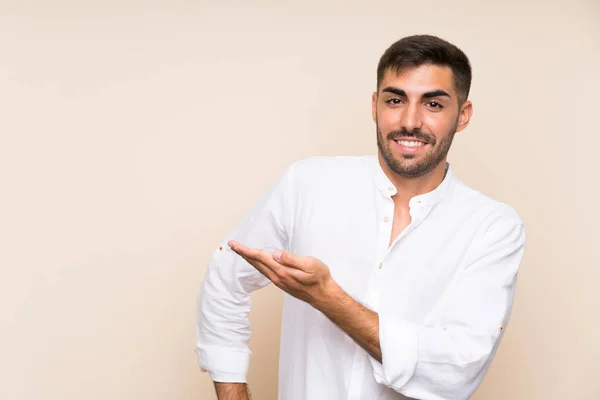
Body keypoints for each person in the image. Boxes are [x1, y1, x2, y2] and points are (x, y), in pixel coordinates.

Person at [196, 34, 526, 400]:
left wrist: (328, 298)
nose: (410, 121)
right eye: (395, 100)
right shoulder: (306, 183)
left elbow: (457, 369)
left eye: (433, 104)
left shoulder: (493, 228)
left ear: (462, 116)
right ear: (375, 105)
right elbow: (226, 273)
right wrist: (231, 388)